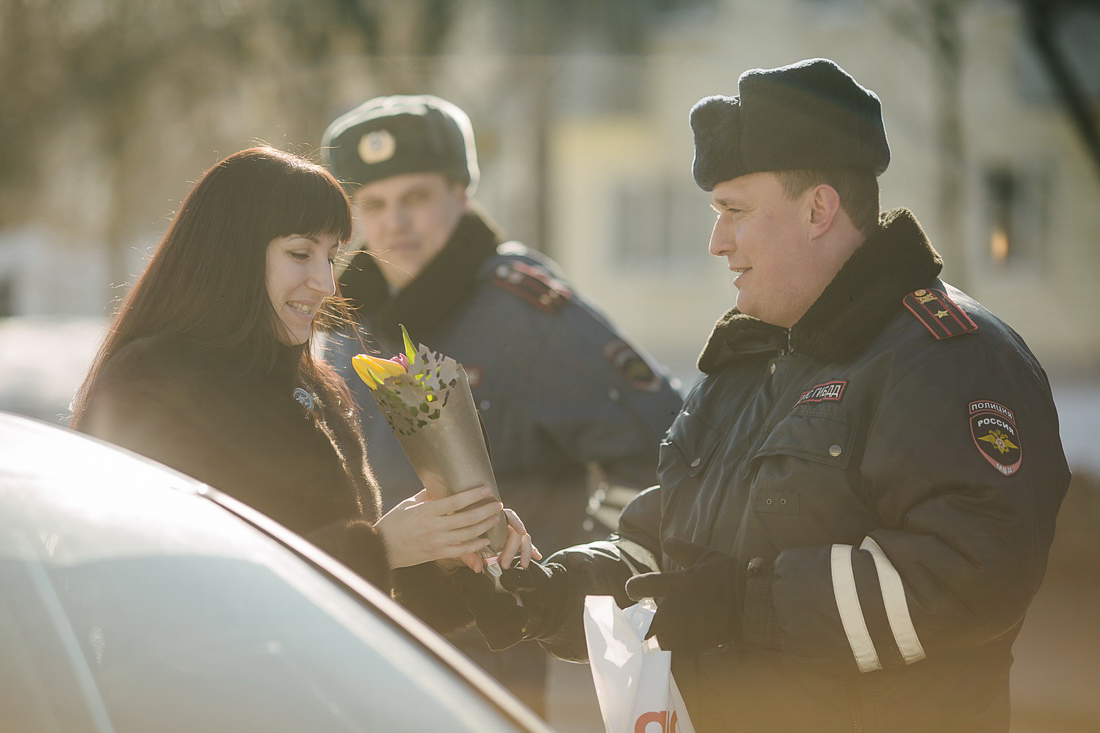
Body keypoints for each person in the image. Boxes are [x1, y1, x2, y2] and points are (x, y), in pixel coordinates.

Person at [468, 58, 1071, 733]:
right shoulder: (751, 360)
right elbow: (669, 551)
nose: (717, 241)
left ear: (819, 208)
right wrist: (553, 595)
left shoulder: (949, 355)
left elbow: (971, 574)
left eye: (735, 211)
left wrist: (747, 605)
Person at [69, 146, 536, 632]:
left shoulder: (313, 387)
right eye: (300, 253)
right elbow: (167, 595)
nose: (326, 283)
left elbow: (361, 615)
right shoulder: (150, 383)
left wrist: (438, 551)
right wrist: (381, 548)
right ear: (230, 253)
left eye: (331, 256)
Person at [320, 95, 683, 716]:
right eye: (373, 205)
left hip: (500, 655)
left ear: (462, 194)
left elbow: (663, 446)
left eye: (416, 197)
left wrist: (580, 571)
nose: (394, 223)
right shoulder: (346, 319)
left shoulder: (526, 312)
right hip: (376, 640)